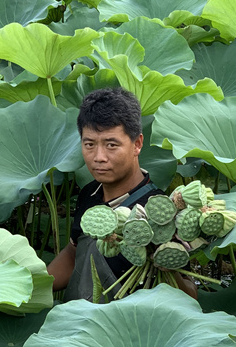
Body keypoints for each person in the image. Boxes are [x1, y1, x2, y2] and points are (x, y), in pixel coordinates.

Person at [47, 87, 198, 301]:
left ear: (137, 144)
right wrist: (27, 287)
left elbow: (190, 296)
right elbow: (73, 255)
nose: (99, 157)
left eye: (111, 145)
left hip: (132, 328)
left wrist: (164, 261)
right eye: (89, 144)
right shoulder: (89, 193)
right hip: (78, 324)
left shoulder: (160, 211)